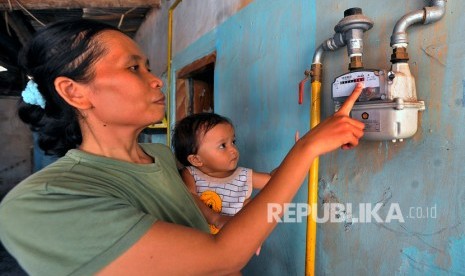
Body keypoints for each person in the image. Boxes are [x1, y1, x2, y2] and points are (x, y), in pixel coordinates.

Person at [0, 18, 365, 275]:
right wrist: (306, 149)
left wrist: (219, 219)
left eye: (148, 67)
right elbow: (223, 257)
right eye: (133, 68)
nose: (156, 81)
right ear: (73, 91)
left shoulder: (158, 157)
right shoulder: (40, 202)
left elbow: (186, 209)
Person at [172, 112, 271, 238]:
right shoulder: (191, 174)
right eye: (223, 145)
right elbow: (190, 198)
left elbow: (275, 180)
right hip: (198, 245)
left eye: (233, 142)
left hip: (233, 244)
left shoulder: (243, 176)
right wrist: (216, 218)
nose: (233, 150)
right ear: (196, 160)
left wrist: (298, 152)